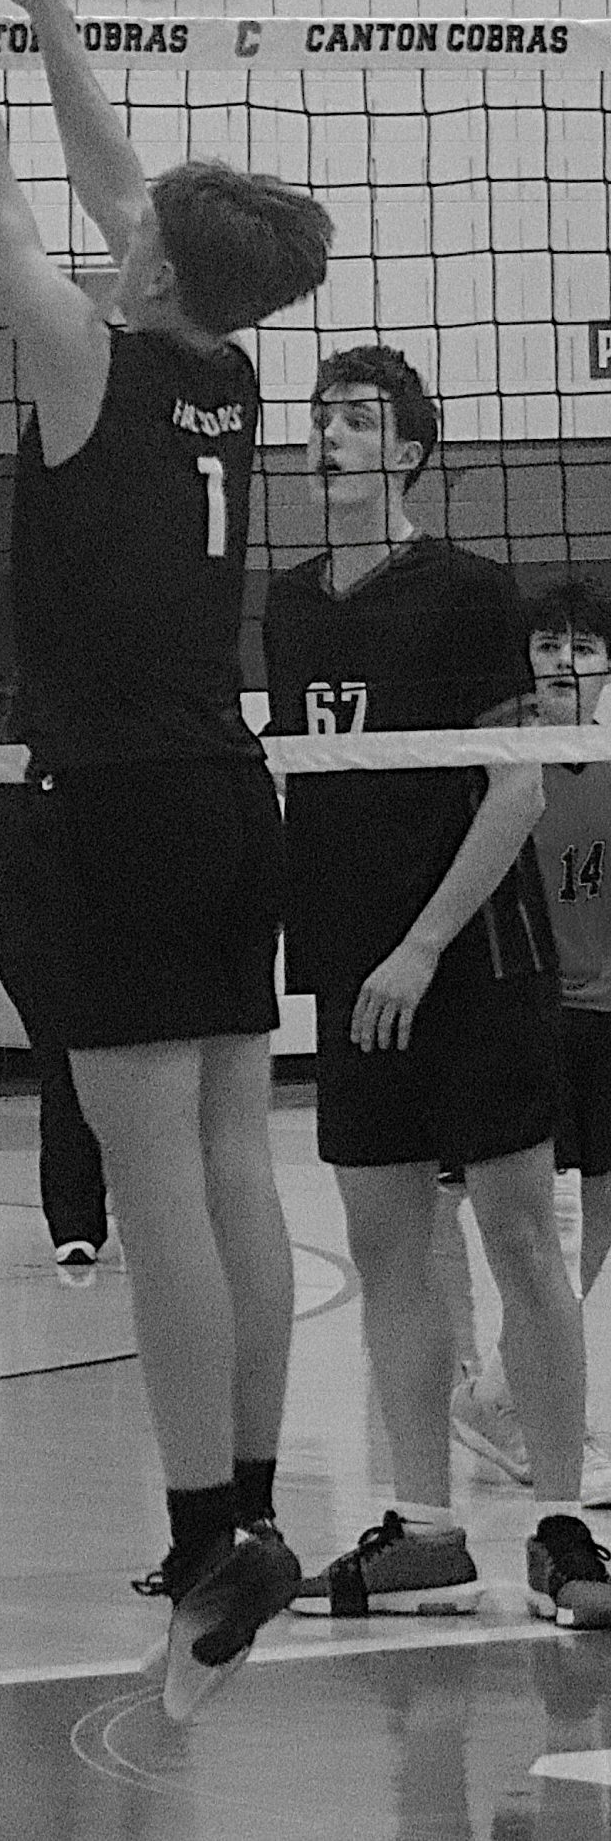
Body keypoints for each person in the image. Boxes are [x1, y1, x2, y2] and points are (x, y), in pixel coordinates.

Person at [0, 0, 325, 1720]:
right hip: (227, 792)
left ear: (151, 263)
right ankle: (247, 1518)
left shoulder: (86, 360)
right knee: (236, 1153)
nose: (122, 215)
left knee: (160, 1173)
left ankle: (210, 1520)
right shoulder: (220, 368)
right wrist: (58, 6)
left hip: (123, 798)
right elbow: (98, 176)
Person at [260, 348, 609, 1625]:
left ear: (409, 449)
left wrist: (419, 944)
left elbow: (515, 784)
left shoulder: (470, 590)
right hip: (352, 973)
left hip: (472, 961)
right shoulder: (287, 603)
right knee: (388, 1249)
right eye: (319, 418)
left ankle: (565, 1526)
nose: (329, 437)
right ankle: (424, 1527)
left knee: (518, 1236)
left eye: (358, 420)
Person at [442, 575, 611, 1507]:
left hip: (607, 1016)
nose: (561, 661)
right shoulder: (507, 762)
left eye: (580, 645)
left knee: (597, 1227)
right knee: (546, 1227)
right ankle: (524, 1401)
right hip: (536, 1015)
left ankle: (505, 1391)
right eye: (547, 645)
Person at [0, 760, 108, 1274]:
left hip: (121, 934)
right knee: (64, 1074)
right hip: (38, 940)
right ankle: (75, 1224)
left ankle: (161, 1210)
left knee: (140, 1080)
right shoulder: (18, 753)